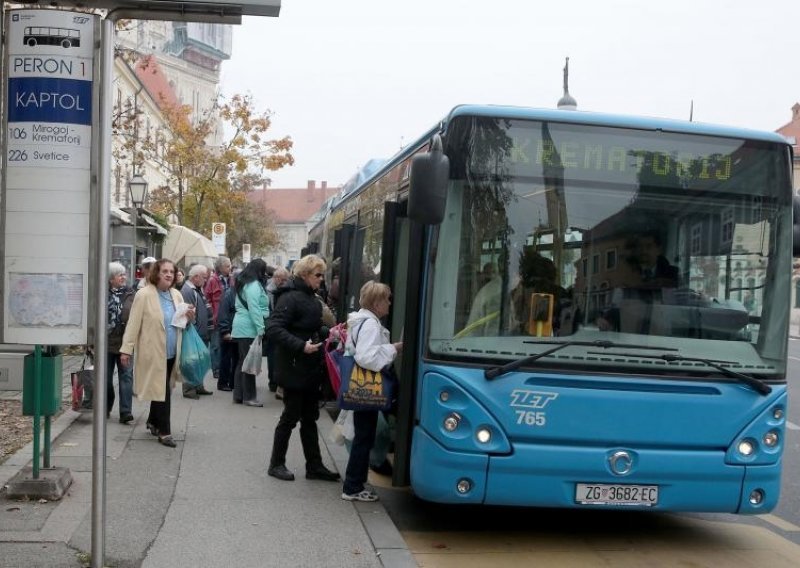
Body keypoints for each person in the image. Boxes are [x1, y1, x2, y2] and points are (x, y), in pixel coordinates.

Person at [266, 254, 339, 482]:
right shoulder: (290, 298)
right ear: (305, 275)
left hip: (308, 368)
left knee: (309, 418)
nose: (321, 279)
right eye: (318, 275)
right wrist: (301, 346)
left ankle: (314, 466)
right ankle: (276, 464)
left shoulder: (310, 297)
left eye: (322, 275)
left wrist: (330, 333)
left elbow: (312, 327)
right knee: (290, 417)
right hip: (295, 367)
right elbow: (274, 328)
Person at [120, 259, 195, 448]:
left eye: (172, 271)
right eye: (165, 271)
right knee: (162, 391)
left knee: (163, 389)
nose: (169, 274)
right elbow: (133, 324)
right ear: (156, 273)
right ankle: (165, 431)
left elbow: (181, 323)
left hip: (172, 351)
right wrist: (126, 350)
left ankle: (153, 421)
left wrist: (189, 317)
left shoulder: (176, 295)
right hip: (153, 352)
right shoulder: (144, 295)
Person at [341, 281, 402, 501]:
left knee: (363, 436)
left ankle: (354, 483)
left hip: (359, 387)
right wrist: (392, 348)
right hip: (367, 387)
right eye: (386, 299)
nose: (389, 303)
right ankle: (353, 487)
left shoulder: (360, 321)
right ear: (377, 303)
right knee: (363, 438)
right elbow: (366, 357)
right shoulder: (370, 325)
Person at [231, 258, 269, 407]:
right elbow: (254, 308)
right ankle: (249, 397)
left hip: (242, 327)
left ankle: (239, 395)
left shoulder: (244, 283)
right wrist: (260, 329)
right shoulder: (253, 285)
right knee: (249, 363)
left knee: (242, 362)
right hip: (249, 328)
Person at [107, 262, 136, 424]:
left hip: (126, 343)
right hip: (106, 343)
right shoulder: (102, 294)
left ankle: (126, 412)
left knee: (126, 377)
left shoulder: (131, 294)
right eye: (120, 275)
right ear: (111, 279)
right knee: (105, 379)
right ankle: (106, 406)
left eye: (124, 274)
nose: (124, 277)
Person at [180, 264, 214, 399]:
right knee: (191, 361)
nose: (205, 281)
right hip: (194, 333)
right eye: (204, 278)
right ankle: (189, 389)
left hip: (201, 333)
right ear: (195, 277)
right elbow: (188, 313)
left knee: (199, 361)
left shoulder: (197, 289)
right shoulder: (188, 291)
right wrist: (192, 329)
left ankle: (198, 385)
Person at [204, 256, 233, 382]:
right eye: (227, 266)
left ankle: (224, 368)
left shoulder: (232, 280)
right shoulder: (212, 280)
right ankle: (216, 369)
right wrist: (212, 314)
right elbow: (207, 298)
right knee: (215, 345)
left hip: (228, 317)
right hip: (216, 317)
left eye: (230, 265)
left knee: (226, 345)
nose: (230, 268)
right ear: (220, 268)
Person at [265, 267, 291, 395]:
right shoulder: (271, 290)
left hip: (274, 325)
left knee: (274, 355)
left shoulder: (270, 289)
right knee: (273, 355)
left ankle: (275, 382)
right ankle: (274, 382)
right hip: (275, 326)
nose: (282, 281)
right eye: (281, 279)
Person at [216, 279, 239, 392]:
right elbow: (223, 313)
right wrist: (225, 331)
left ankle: (233, 382)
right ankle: (223, 382)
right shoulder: (229, 294)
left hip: (235, 331)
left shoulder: (236, 292)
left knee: (235, 358)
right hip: (229, 331)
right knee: (226, 358)